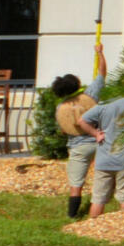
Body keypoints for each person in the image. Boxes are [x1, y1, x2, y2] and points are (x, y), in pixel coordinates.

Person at [82, 88, 124, 215]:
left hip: (104, 160)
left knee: (98, 199)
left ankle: (92, 227)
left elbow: (82, 121)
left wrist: (96, 134)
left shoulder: (104, 106)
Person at [49, 74, 96, 220]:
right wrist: (100, 54)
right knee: (104, 179)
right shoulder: (90, 96)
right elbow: (101, 75)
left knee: (76, 185)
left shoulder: (61, 107)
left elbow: (64, 128)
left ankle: (72, 215)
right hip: (99, 142)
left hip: (78, 147)